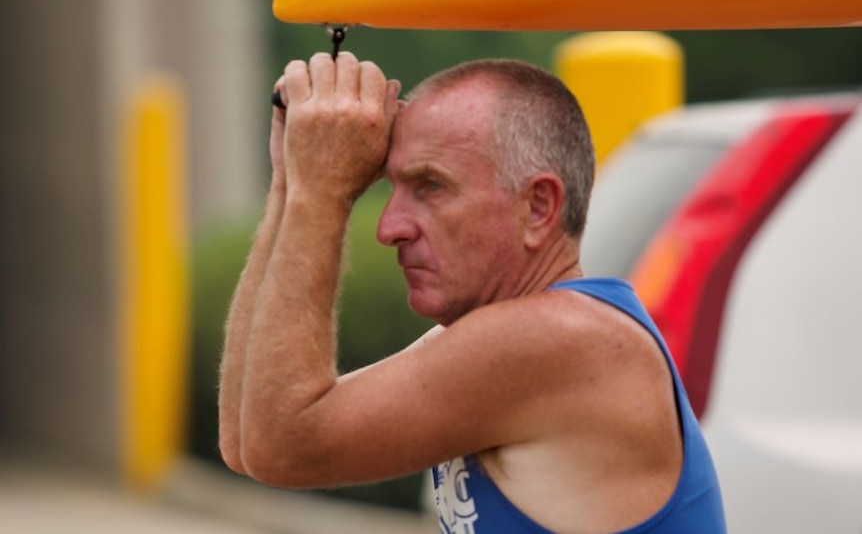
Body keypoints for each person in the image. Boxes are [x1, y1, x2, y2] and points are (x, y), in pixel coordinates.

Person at [218, 52, 726, 534]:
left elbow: (280, 444)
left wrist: (321, 187)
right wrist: (293, 178)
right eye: (392, 187)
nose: (390, 226)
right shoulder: (511, 334)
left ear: (538, 208)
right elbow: (245, 441)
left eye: (431, 187)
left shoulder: (554, 340)